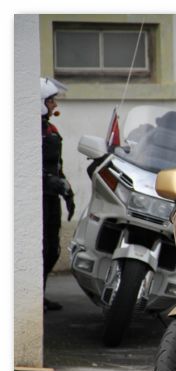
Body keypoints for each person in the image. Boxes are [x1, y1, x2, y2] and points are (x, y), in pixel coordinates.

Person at [41, 77, 74, 312]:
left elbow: (57, 165)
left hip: (52, 197)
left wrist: (67, 190)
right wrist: (47, 180)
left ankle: (39, 294)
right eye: (51, 100)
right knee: (40, 248)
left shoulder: (50, 129)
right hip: (37, 198)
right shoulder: (25, 130)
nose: (55, 105)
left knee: (53, 248)